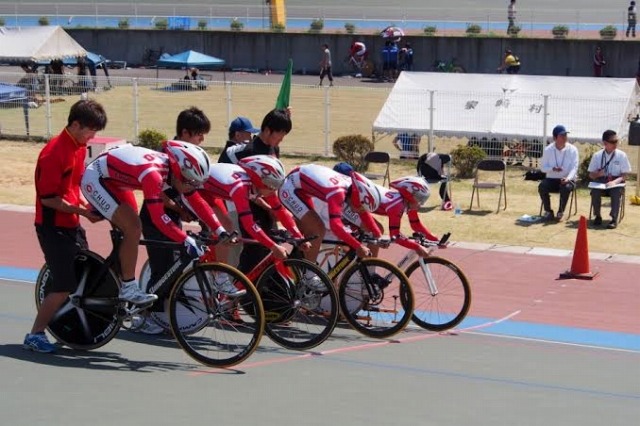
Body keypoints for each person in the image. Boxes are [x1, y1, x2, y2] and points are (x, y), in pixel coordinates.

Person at [80, 141, 229, 313]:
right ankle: (128, 288)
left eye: (197, 182)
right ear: (178, 171)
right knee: (133, 227)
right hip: (97, 178)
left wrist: (220, 230)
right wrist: (185, 239)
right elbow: (158, 218)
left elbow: (197, 201)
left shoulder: (176, 173)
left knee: (128, 230)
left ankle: (115, 276)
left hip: (117, 181)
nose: (193, 186)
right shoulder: (153, 175)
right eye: (191, 181)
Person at [24, 99, 107, 353]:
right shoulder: (53, 153)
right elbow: (49, 199)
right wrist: (83, 211)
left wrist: (87, 206)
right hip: (52, 228)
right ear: (76, 124)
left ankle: (64, 327)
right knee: (63, 286)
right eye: (91, 130)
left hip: (71, 224)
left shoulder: (78, 147)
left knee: (82, 277)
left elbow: (72, 188)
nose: (93, 137)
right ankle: (35, 335)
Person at [218, 108, 292, 274]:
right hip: (242, 206)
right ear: (267, 131)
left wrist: (275, 209)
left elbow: (271, 185)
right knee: (251, 252)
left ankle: (266, 288)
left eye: (284, 135)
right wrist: (269, 207)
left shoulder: (274, 149)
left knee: (270, 250)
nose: (281, 139)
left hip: (264, 207)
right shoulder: (248, 151)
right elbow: (246, 190)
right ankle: (237, 287)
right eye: (279, 135)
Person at [278, 164, 382, 263]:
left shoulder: (354, 189)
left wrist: (378, 235)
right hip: (291, 187)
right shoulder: (338, 193)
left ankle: (296, 262)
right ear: (355, 199)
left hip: (304, 186)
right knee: (317, 228)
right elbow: (335, 226)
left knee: (309, 234)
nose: (361, 211)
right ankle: (309, 273)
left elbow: (364, 214)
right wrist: (358, 246)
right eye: (361, 208)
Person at [587, 130, 631, 229]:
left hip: (616, 181)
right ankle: (597, 216)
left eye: (616, 141)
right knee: (595, 191)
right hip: (601, 181)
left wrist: (615, 182)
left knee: (616, 191)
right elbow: (591, 175)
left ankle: (614, 219)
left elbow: (625, 175)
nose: (616, 143)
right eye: (613, 141)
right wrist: (598, 174)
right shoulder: (597, 156)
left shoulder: (622, 155)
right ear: (605, 143)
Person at [538, 125, 579, 222]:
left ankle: (560, 212)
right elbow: (543, 168)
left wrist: (568, 178)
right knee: (542, 186)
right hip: (551, 179)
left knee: (566, 187)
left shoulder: (573, 149)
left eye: (565, 135)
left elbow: (574, 168)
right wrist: (553, 169)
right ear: (555, 138)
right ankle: (548, 211)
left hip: (568, 180)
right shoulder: (548, 150)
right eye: (562, 135)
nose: (565, 137)